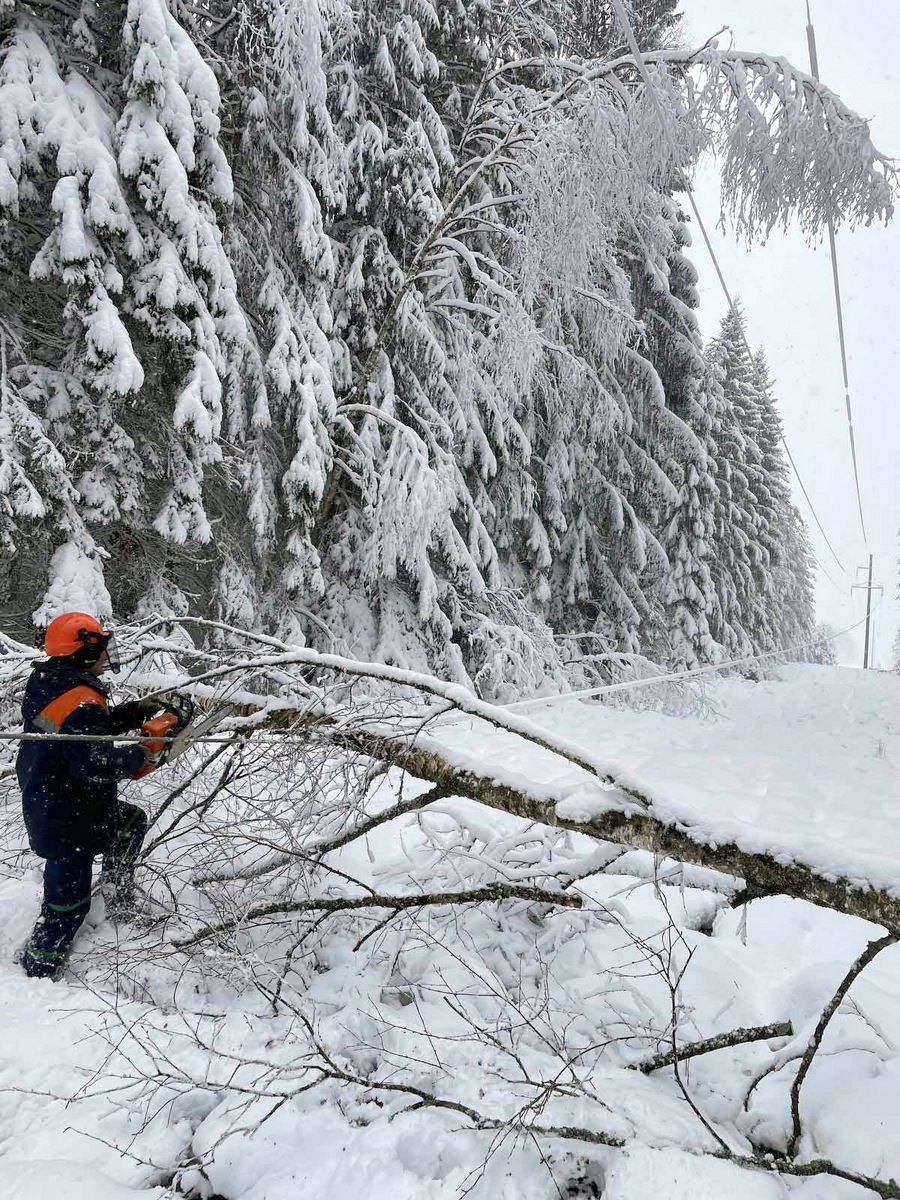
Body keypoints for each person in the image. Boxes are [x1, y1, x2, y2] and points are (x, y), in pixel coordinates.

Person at [16, 612, 164, 980]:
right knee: (67, 904)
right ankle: (38, 970)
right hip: (68, 814)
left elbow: (74, 731)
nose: (106, 656)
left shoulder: (49, 681)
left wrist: (131, 714)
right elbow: (94, 762)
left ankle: (115, 892)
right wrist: (142, 753)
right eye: (100, 649)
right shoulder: (80, 699)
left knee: (131, 821)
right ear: (84, 652)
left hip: (56, 797)